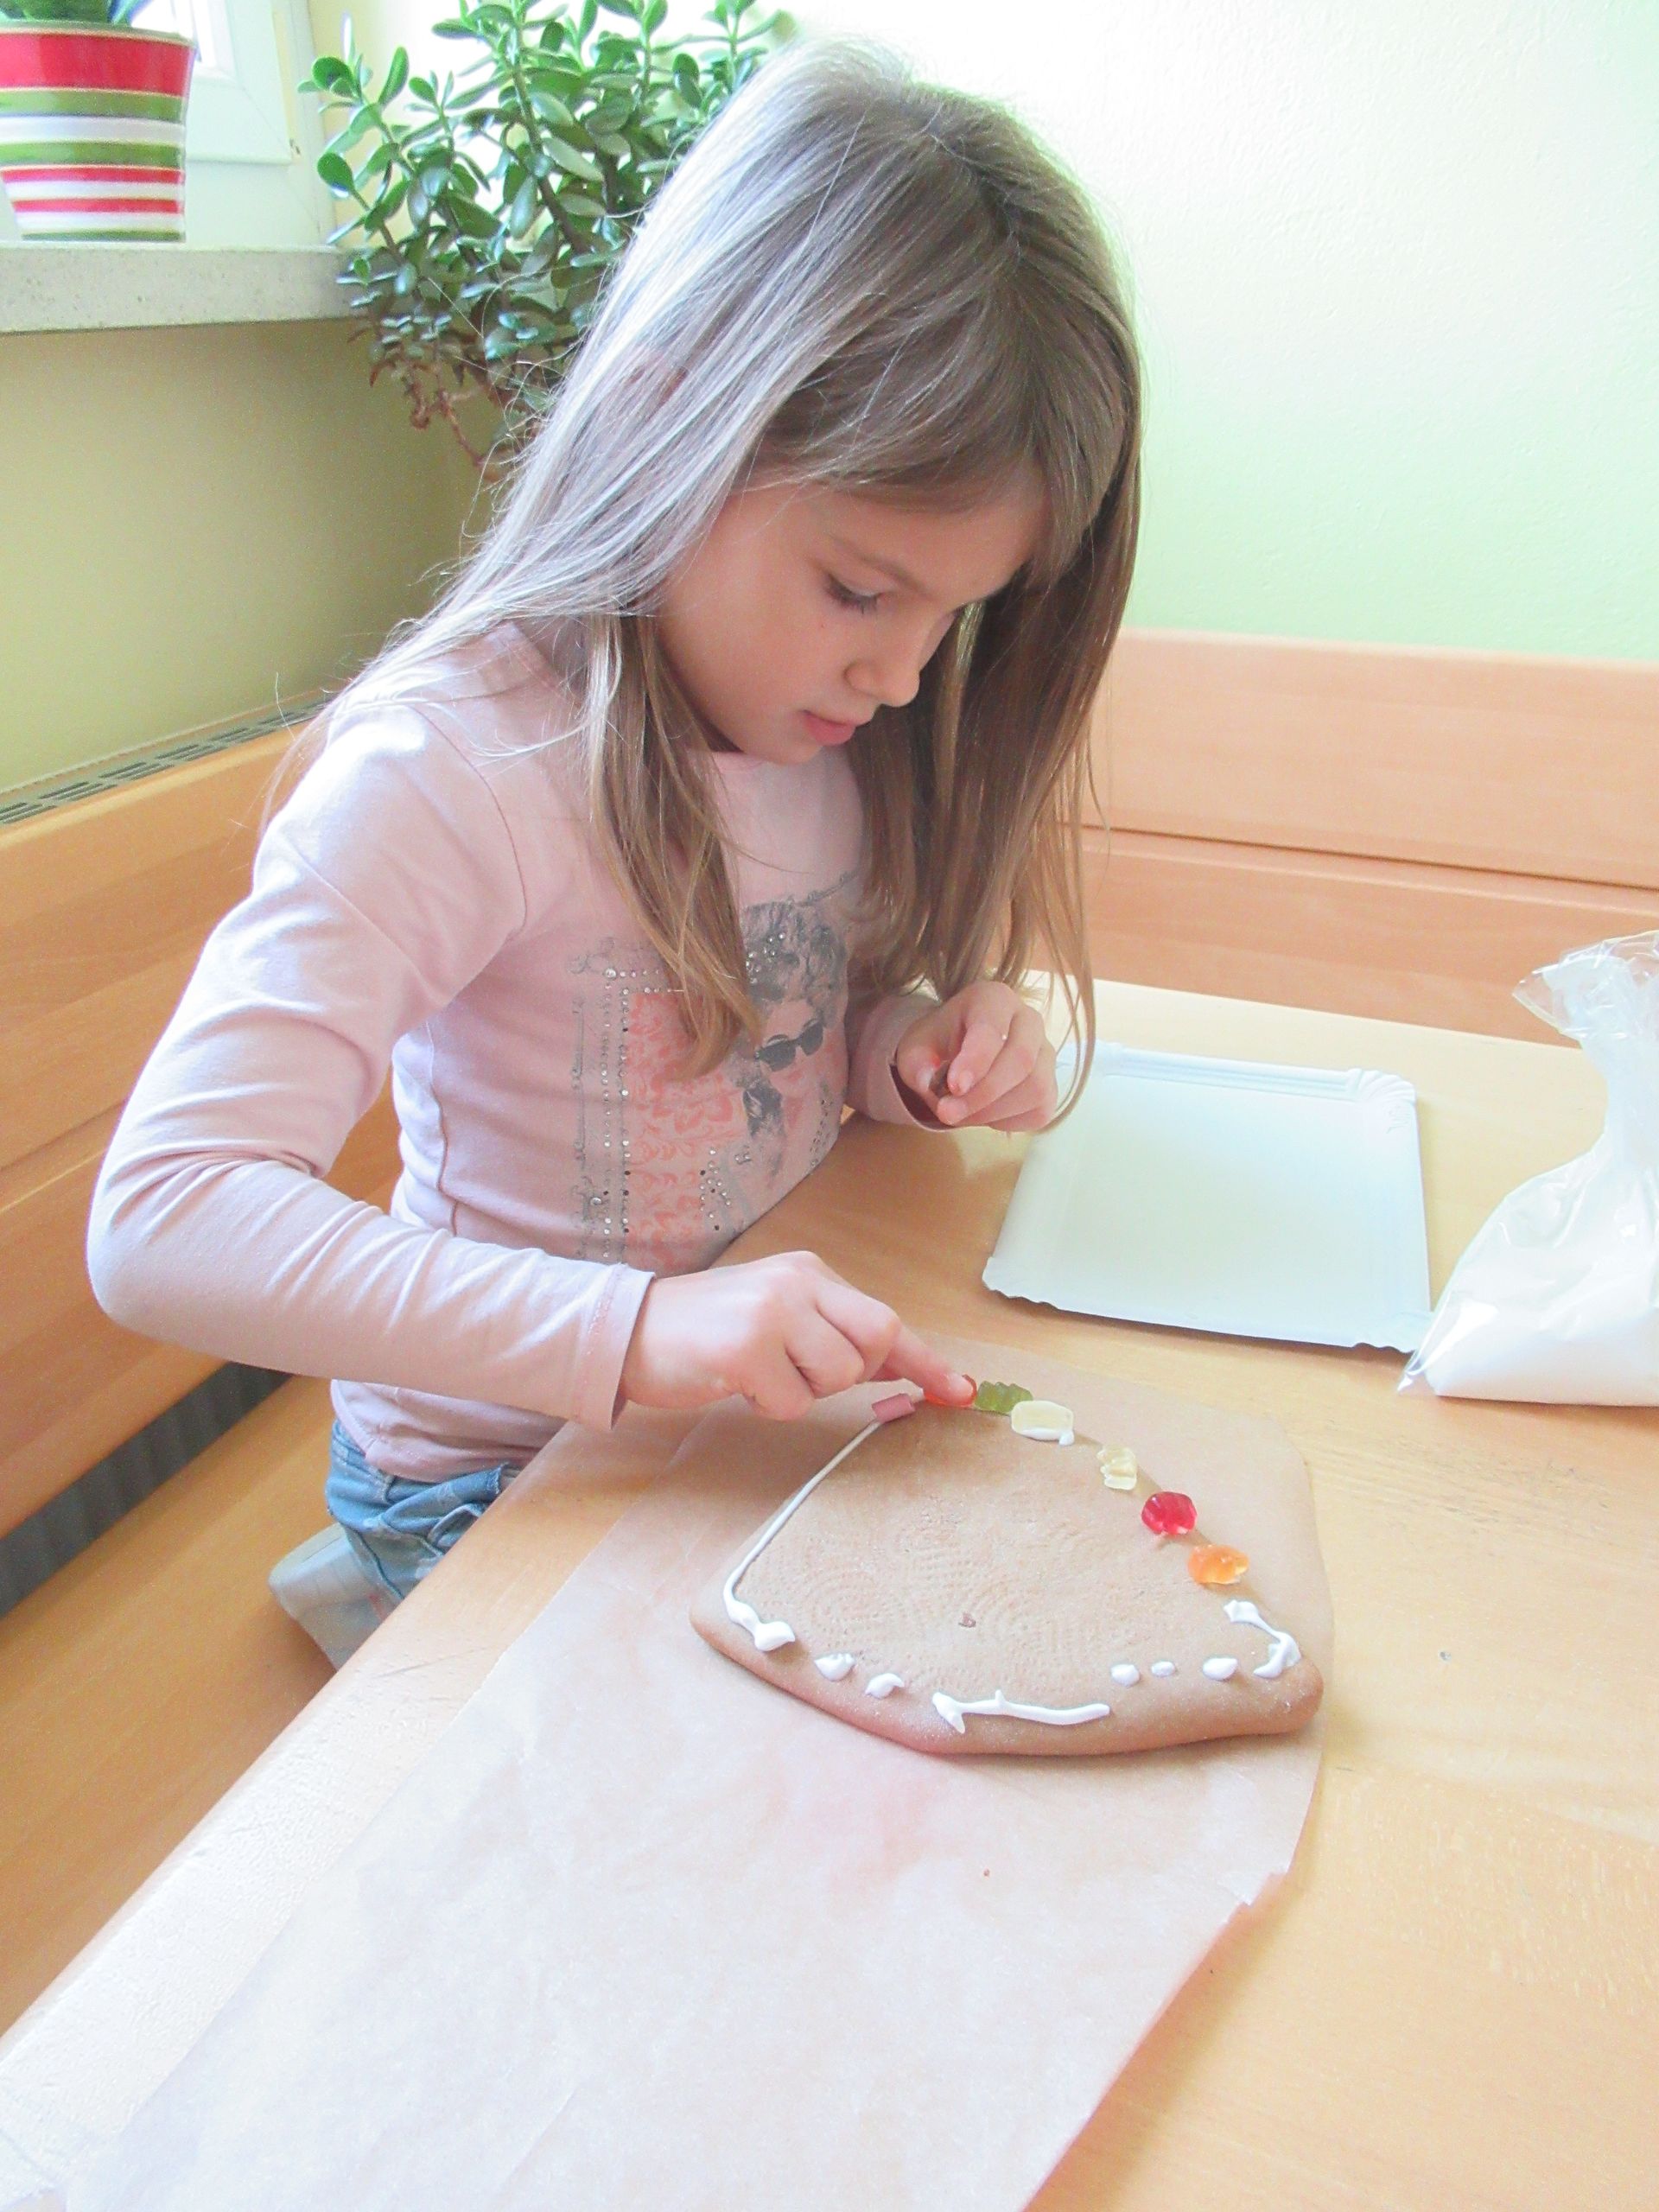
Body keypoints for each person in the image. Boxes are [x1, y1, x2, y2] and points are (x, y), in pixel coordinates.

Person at [86, 37, 1142, 1662]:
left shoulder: (821, 733)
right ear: (666, 414)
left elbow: (769, 1033)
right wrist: (642, 1330)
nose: (903, 672)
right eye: (862, 591)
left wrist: (906, 1048)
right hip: (491, 1481)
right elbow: (165, 1218)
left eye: (957, 614)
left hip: (719, 1437)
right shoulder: (455, 769)